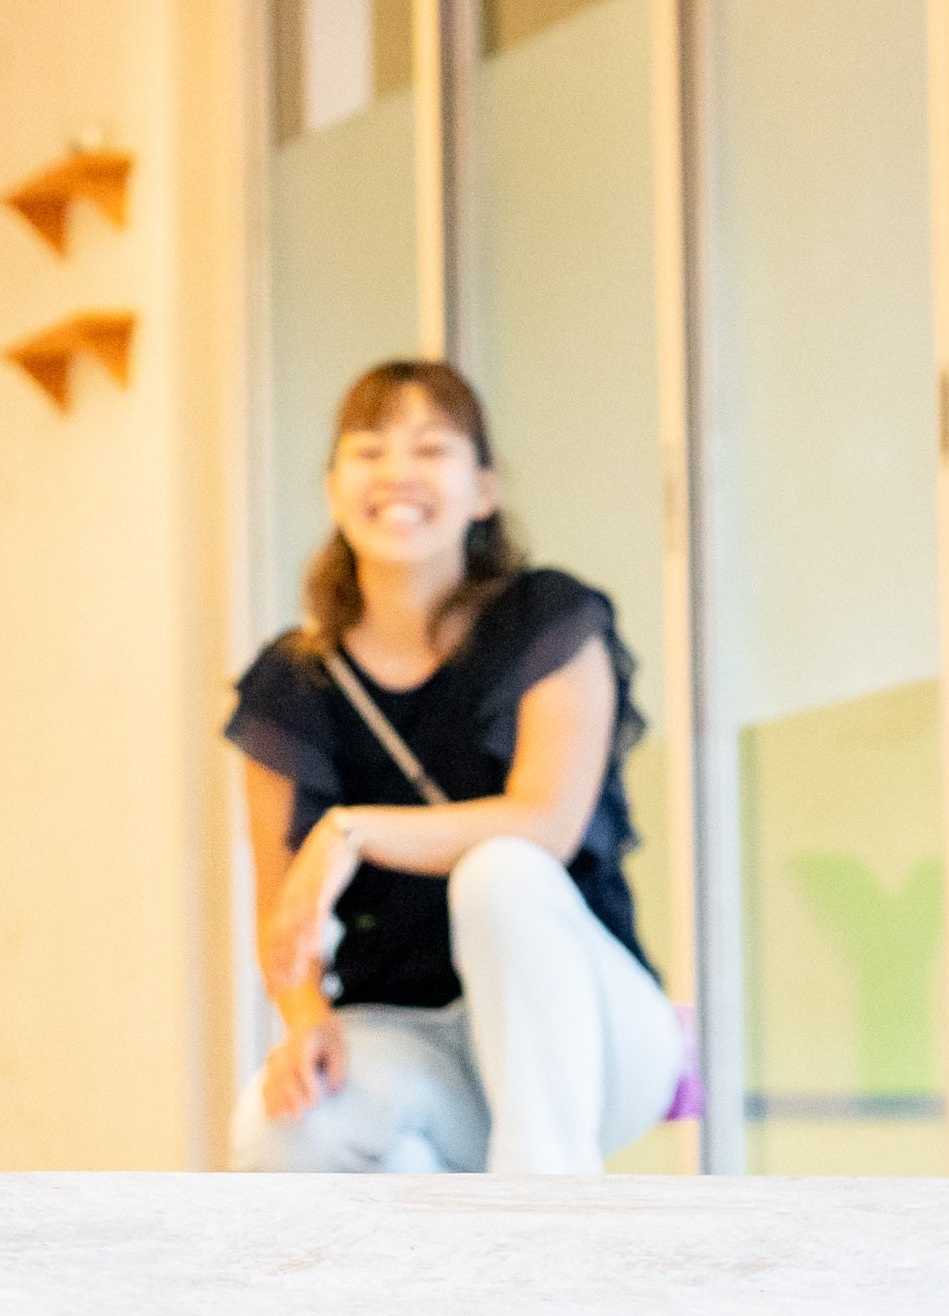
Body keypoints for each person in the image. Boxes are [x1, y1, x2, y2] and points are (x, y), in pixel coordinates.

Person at [225, 358, 683, 1173]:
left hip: (595, 1036)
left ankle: (545, 1208)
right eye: (369, 450)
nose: (397, 472)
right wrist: (306, 1020)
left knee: (502, 871)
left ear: (484, 490)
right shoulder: (291, 686)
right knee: (281, 1128)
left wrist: (351, 833)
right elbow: (284, 920)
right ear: (332, 489)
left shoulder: (549, 620)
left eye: (431, 449)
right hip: (417, 1040)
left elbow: (545, 823)